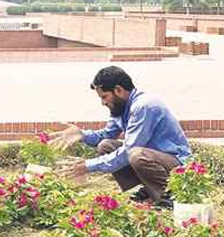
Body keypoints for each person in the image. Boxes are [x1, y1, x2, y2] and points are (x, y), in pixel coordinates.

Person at [50, 66, 192, 207]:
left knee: (136, 155)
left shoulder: (144, 106)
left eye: (105, 97)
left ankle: (168, 197)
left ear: (118, 90)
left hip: (176, 163)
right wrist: (82, 135)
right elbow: (106, 135)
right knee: (106, 145)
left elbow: (129, 150)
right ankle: (148, 190)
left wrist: (88, 166)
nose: (103, 102)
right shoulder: (121, 107)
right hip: (154, 157)